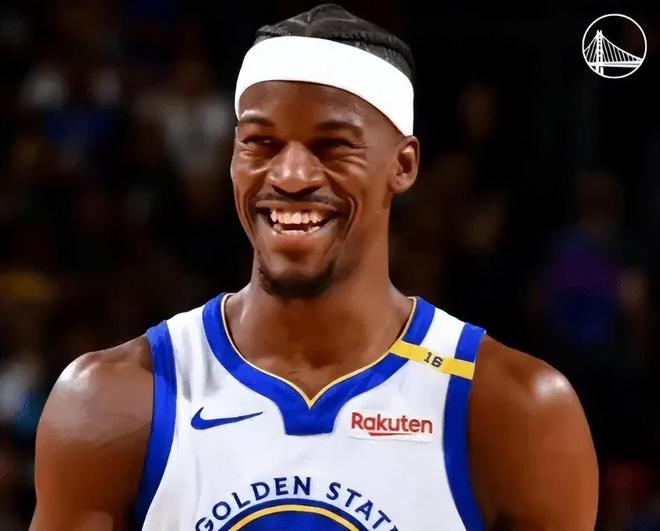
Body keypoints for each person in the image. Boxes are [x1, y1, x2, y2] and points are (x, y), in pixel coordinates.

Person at [30, 4, 598, 530]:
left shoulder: (514, 410)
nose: (291, 176)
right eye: (261, 143)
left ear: (403, 165)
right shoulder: (112, 401)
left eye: (333, 146)